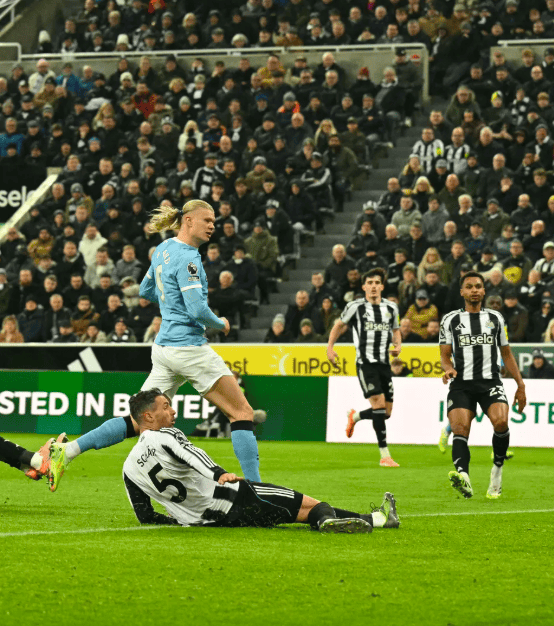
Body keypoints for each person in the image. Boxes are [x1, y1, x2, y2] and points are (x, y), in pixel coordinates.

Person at [48, 200, 262, 491]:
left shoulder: (163, 248)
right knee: (242, 413)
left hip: (163, 349)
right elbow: (197, 310)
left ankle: (68, 451)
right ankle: (258, 490)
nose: (213, 225)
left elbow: (146, 290)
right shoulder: (189, 258)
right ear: (188, 221)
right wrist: (221, 322)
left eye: (214, 221)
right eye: (207, 220)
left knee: (141, 419)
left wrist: (170, 303)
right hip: (188, 348)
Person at [123, 389, 400, 533]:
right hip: (235, 497)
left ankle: (368, 519)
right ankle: (351, 520)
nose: (173, 411)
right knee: (312, 506)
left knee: (293, 511)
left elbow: (145, 516)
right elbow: (191, 455)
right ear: (148, 417)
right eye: (166, 407)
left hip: (208, 522)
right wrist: (219, 473)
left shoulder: (129, 467)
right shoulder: (165, 434)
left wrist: (178, 520)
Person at [439, 272, 528, 499]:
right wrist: (448, 368)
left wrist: (520, 385)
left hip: (490, 382)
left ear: (484, 291)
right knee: (460, 429)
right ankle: (464, 478)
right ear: (462, 292)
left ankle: (496, 473)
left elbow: (506, 354)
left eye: (478, 286)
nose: (474, 290)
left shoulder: (495, 318)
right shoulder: (450, 320)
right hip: (461, 384)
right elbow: (444, 356)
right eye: (469, 287)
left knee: (501, 422)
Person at [326, 268, 403, 467]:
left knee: (386, 412)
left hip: (384, 364)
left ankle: (356, 416)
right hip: (365, 363)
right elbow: (339, 325)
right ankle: (385, 455)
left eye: (377, 283)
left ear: (382, 286)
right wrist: (330, 347)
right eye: (370, 283)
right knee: (378, 405)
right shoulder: (355, 307)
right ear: (363, 287)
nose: (373, 286)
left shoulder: (391, 307)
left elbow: (396, 330)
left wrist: (398, 345)